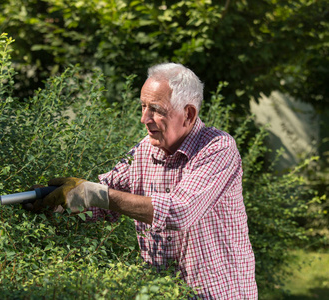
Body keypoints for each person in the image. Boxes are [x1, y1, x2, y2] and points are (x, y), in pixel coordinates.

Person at [26, 63, 258, 299]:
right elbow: (99, 204)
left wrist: (92, 193)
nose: (144, 118)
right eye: (143, 107)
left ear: (188, 114)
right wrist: (52, 202)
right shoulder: (142, 152)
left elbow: (179, 212)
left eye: (156, 109)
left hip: (219, 293)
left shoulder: (217, 148)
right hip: (163, 294)